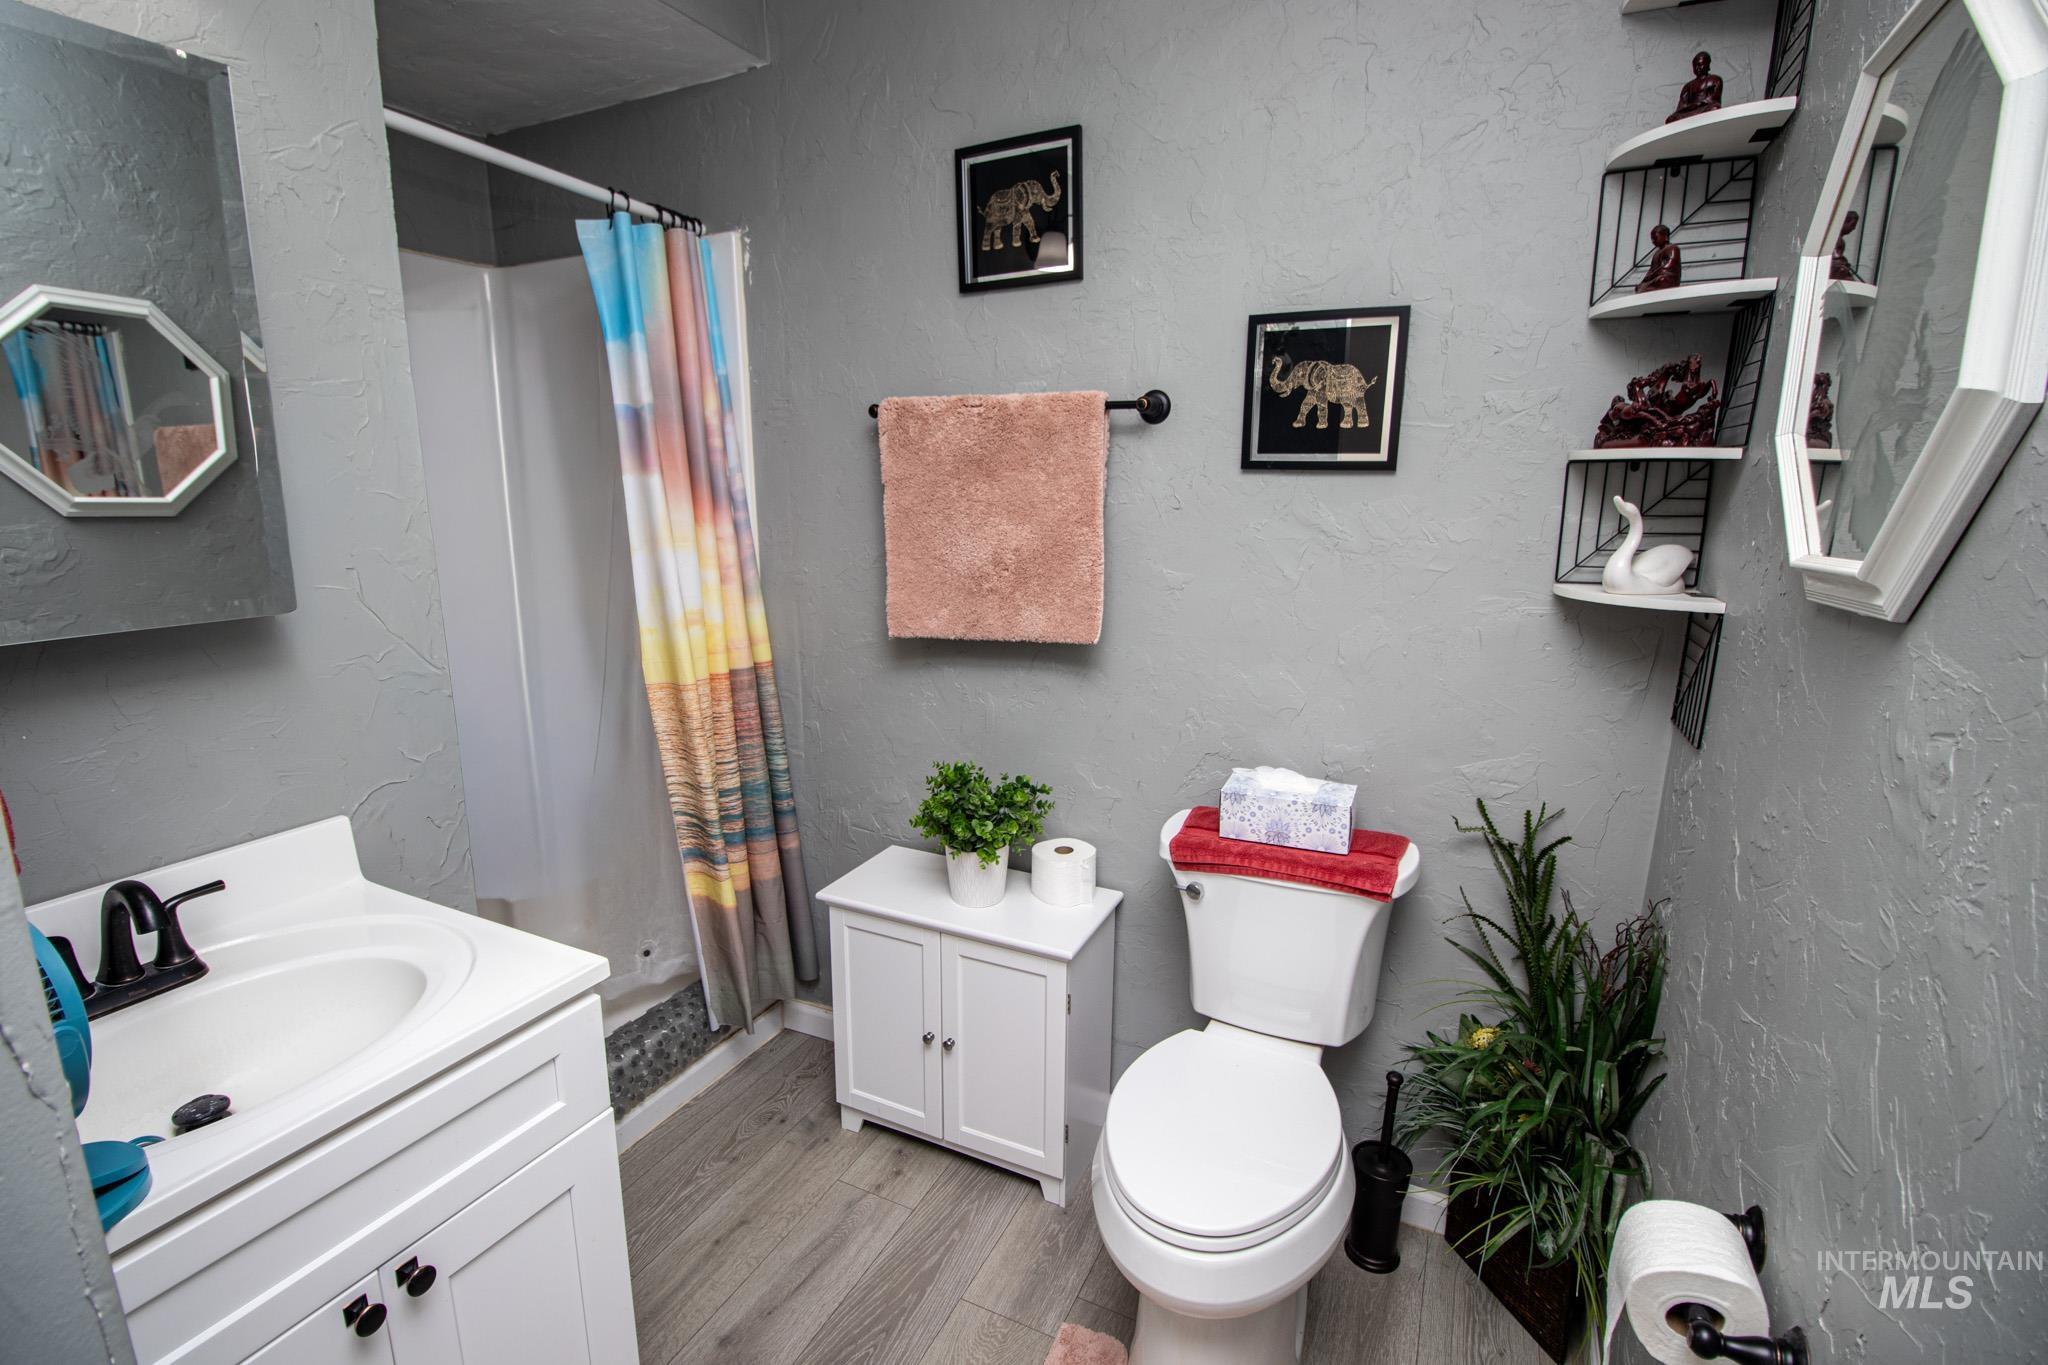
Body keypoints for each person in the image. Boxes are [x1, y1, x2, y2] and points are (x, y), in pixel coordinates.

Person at [1668, 51, 1725, 123]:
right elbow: (1681, 106)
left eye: (1700, 65)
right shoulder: (1688, 86)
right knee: (1671, 119)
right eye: (1695, 66)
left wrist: (1698, 104)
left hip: (1704, 108)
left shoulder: (1714, 80)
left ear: (1707, 65)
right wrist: (1690, 107)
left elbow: (1714, 99)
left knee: (1714, 108)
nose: (1697, 68)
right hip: (1690, 111)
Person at [1637, 224, 1682, 292]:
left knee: (1662, 279)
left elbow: (1670, 264)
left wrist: (1657, 273)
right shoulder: (1656, 253)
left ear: (1665, 236)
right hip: (1656, 276)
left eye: (1655, 238)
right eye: (1652, 239)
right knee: (1640, 286)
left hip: (1667, 276)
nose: (1653, 241)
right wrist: (1647, 278)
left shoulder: (1673, 248)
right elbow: (1652, 269)